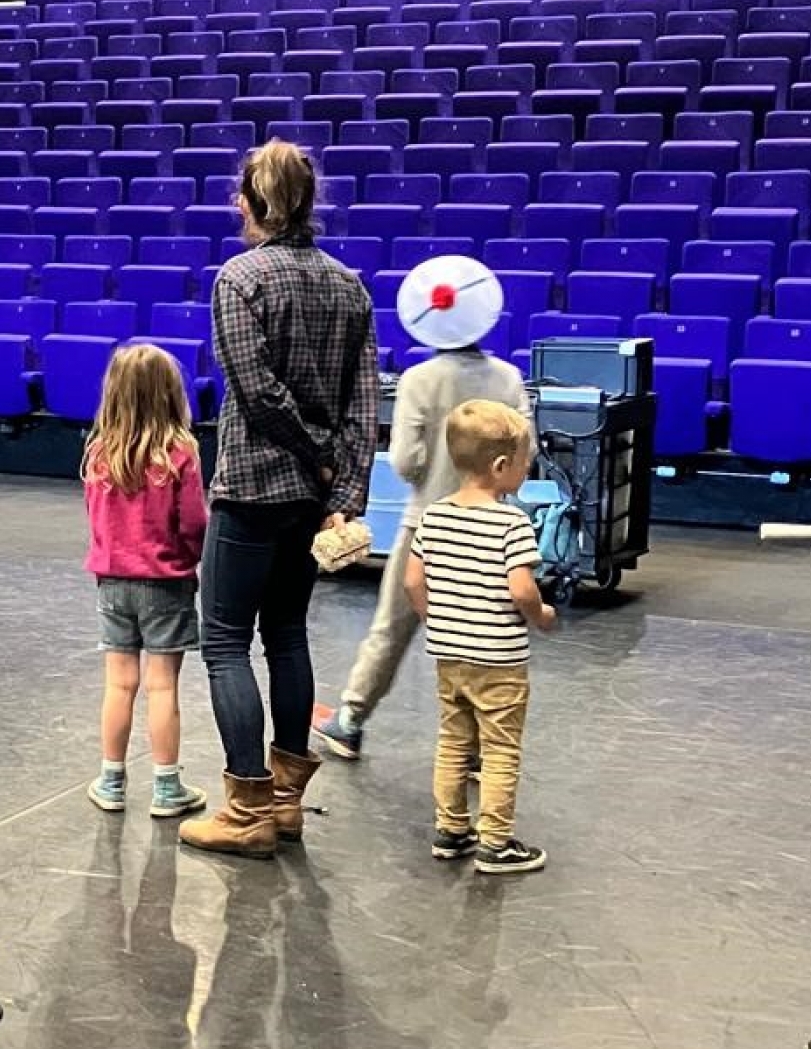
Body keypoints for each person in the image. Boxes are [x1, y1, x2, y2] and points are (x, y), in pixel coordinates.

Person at [179, 140, 378, 859]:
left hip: (254, 487)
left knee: (226, 642)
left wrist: (315, 456)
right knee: (287, 635)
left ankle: (247, 810)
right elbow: (363, 401)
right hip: (312, 500)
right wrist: (343, 485)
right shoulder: (350, 285)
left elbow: (257, 395)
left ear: (252, 203)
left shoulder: (239, 278)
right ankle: (289, 804)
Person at [314, 255, 533, 759]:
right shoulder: (508, 379)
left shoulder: (418, 379)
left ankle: (350, 720)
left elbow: (409, 462)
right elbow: (528, 454)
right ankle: (479, 747)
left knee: (392, 626)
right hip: (493, 531)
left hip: (427, 528)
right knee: (483, 635)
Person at [405, 400, 555, 876]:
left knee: (453, 740)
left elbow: (413, 581)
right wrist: (542, 614)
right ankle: (495, 842)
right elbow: (521, 588)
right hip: (500, 661)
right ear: (500, 466)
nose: (526, 471)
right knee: (500, 749)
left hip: (450, 655)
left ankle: (451, 831)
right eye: (525, 464)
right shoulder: (512, 523)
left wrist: (437, 620)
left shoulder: (434, 516)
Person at [81, 344, 210, 817]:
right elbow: (193, 522)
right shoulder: (180, 454)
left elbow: (96, 521)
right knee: (162, 687)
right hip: (166, 583)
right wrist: (190, 560)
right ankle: (166, 787)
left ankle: (111, 781)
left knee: (119, 684)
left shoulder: (99, 453)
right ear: (171, 395)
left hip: (112, 583)